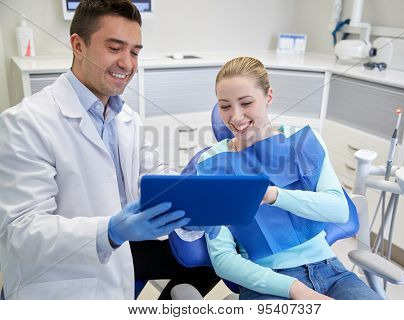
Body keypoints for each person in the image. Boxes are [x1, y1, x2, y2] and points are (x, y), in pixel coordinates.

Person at [0, 0, 218, 300]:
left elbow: (155, 174)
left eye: (135, 52)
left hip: (117, 272)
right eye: (115, 48)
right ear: (78, 45)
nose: (128, 63)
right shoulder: (25, 123)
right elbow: (20, 233)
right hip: (56, 289)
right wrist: (110, 231)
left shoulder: (128, 119)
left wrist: (194, 198)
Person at [196, 57, 382, 300]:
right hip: (267, 282)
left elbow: (338, 210)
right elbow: (223, 259)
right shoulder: (213, 163)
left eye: (246, 103)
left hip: (331, 272)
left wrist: (272, 195)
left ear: (269, 97)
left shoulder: (303, 141)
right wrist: (295, 289)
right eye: (225, 106)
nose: (236, 116)